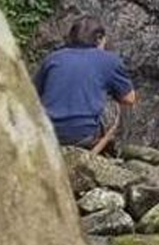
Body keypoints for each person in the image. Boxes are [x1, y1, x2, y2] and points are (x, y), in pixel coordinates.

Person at [32, 15, 137, 152]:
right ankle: (97, 153)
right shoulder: (109, 60)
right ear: (99, 38)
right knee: (117, 102)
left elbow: (33, 94)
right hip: (83, 134)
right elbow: (129, 99)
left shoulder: (53, 58)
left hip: (48, 131)